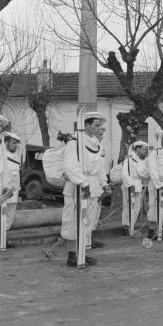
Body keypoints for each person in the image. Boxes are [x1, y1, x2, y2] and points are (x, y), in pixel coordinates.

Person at [61, 112, 107, 267]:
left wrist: (104, 183)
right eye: (96, 125)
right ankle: (72, 255)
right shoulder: (74, 142)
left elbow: (99, 167)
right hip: (77, 187)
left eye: (99, 125)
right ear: (86, 125)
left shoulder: (97, 144)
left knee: (88, 221)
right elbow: (70, 166)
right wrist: (83, 183)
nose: (98, 128)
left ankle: (82, 253)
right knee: (72, 221)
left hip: (93, 187)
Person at [0, 131, 22, 251]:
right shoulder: (2, 155)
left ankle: (3, 239)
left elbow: (17, 176)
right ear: (6, 142)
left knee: (9, 217)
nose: (15, 145)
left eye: (17, 143)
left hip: (14, 192)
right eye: (13, 143)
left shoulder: (16, 155)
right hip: (3, 191)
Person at [86, 124, 110, 249]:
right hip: (87, 182)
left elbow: (101, 168)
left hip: (96, 184)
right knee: (87, 214)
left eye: (103, 133)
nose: (102, 135)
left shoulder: (100, 147)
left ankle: (89, 239)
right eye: (99, 132)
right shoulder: (84, 145)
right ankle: (84, 241)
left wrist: (104, 184)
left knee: (94, 213)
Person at [121, 140, 150, 236]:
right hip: (129, 185)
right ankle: (126, 226)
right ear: (137, 149)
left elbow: (144, 174)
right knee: (129, 206)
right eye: (144, 149)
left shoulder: (143, 160)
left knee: (137, 207)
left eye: (146, 150)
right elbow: (125, 174)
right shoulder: (129, 159)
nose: (146, 152)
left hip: (138, 185)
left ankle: (132, 225)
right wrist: (130, 185)